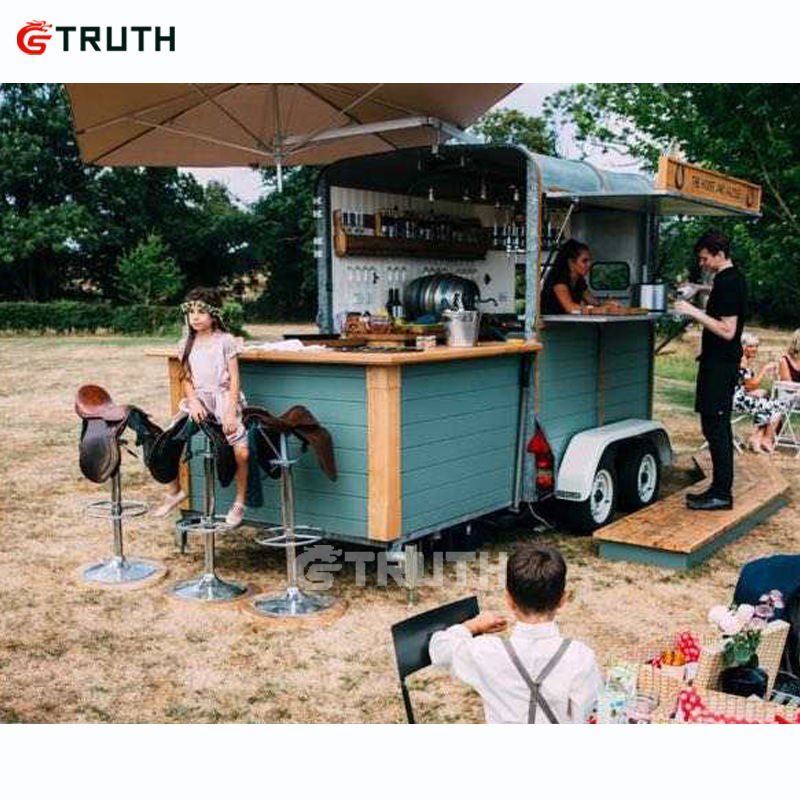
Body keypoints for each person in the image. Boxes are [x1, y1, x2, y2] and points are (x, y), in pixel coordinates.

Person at [428, 544, 602, 724]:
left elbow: (439, 648)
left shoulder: (486, 652)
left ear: (509, 600)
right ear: (562, 600)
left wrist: (473, 626)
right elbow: (590, 717)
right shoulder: (581, 657)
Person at [153, 287, 249, 527]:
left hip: (224, 399)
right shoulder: (185, 343)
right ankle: (174, 491)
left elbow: (235, 379)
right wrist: (194, 401)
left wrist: (230, 411)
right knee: (168, 439)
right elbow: (186, 377)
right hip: (199, 400)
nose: (195, 317)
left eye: (201, 312)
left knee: (242, 452)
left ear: (214, 315)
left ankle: (239, 502)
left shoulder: (225, 341)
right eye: (191, 312)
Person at [674, 230, 748, 511]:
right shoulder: (730, 278)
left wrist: (692, 311)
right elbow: (723, 298)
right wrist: (699, 288)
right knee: (714, 424)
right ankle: (718, 489)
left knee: (716, 426)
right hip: (718, 363)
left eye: (705, 258)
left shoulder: (727, 282)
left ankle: (721, 494)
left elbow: (728, 330)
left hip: (720, 364)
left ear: (719, 254)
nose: (702, 263)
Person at [733, 331, 782, 453]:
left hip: (733, 397)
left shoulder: (742, 359)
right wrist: (764, 369)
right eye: (750, 346)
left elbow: (745, 386)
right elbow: (751, 385)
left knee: (766, 397)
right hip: (735, 401)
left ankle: (757, 437)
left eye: (756, 346)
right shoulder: (742, 361)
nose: (754, 349)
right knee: (777, 406)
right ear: (742, 347)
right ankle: (763, 439)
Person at [541, 239, 610, 314]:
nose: (589, 265)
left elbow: (593, 301)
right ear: (571, 262)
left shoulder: (579, 281)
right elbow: (570, 308)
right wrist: (593, 310)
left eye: (590, 261)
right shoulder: (559, 280)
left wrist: (607, 306)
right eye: (584, 261)